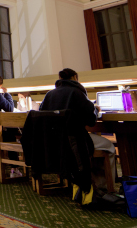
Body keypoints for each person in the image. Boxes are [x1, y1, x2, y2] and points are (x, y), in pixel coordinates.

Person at [39, 68, 111, 203]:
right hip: (75, 140)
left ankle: (87, 183)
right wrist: (96, 109)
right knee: (109, 146)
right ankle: (105, 187)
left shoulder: (50, 94)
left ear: (59, 78)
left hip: (56, 142)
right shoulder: (77, 92)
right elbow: (91, 121)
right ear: (74, 77)